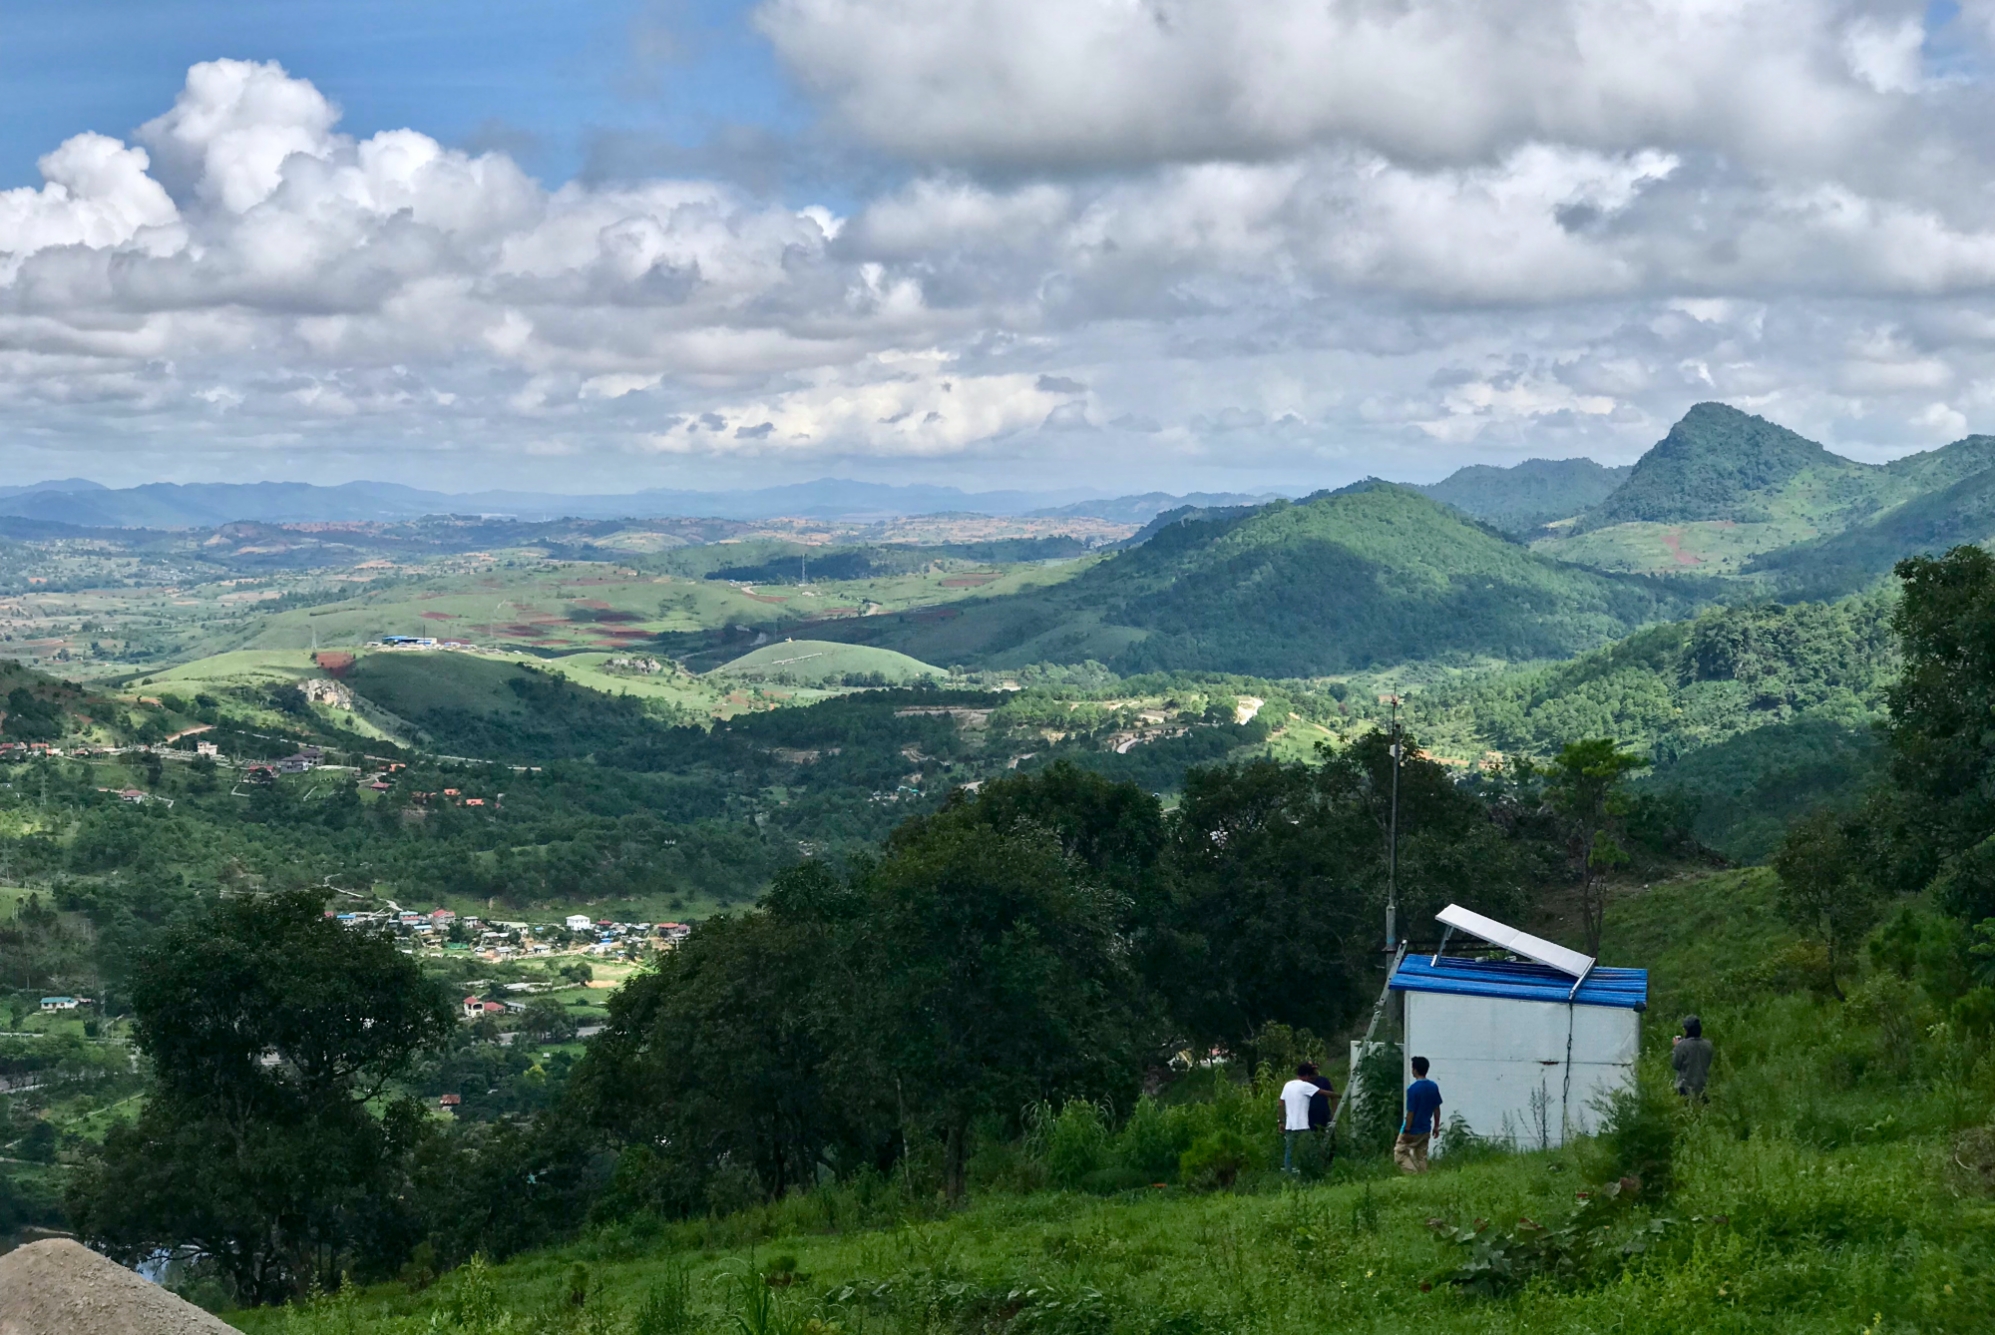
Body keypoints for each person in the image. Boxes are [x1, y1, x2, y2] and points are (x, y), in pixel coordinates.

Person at [1395, 1056, 1442, 1174]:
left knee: (1399, 1154)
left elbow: (1411, 1112)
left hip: (1413, 1130)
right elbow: (1436, 1109)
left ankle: (1413, 1175)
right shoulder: (1433, 1086)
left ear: (1415, 1070)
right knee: (1421, 1157)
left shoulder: (1413, 1089)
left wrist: (1407, 1130)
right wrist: (1436, 1126)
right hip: (1426, 1128)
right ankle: (1423, 1178)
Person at [1278, 1062, 1323, 1174]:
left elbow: (1280, 1104)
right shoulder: (1305, 1085)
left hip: (1290, 1126)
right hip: (1303, 1126)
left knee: (1289, 1150)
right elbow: (1324, 1093)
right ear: (1307, 1075)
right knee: (1309, 1148)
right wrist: (1339, 1095)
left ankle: (1288, 1172)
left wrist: (1280, 1122)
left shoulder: (1287, 1085)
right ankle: (1308, 1170)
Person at [1672, 1014, 1713, 1100]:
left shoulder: (1682, 1046)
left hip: (1684, 1088)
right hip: (1702, 1087)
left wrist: (1676, 1046)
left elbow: (1675, 1064)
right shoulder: (1708, 1045)